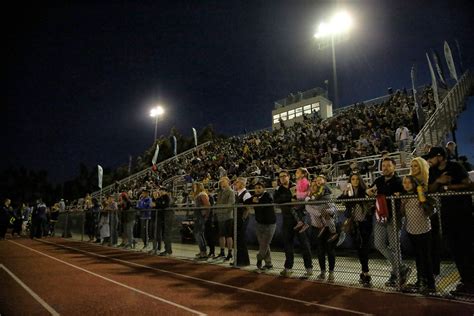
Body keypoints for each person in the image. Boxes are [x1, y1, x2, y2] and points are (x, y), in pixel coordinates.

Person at [426, 146, 474, 295]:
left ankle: (470, 282)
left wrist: (448, 187)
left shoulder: (456, 166)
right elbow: (430, 189)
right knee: (455, 249)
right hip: (447, 215)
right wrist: (439, 180)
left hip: (464, 213)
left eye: (432, 157)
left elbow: (469, 184)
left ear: (440, 157)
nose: (429, 160)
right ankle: (466, 281)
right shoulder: (434, 171)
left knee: (467, 248)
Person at [367, 157, 411, 287]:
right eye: (383, 166)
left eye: (388, 166)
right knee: (379, 243)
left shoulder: (399, 181)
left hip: (394, 217)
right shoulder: (378, 181)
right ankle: (401, 268)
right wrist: (368, 191)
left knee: (394, 245)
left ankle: (396, 273)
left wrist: (399, 196)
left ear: (394, 167)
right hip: (380, 216)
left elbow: (404, 194)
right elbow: (369, 191)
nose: (385, 168)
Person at [400, 175, 435, 293]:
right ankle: (421, 280)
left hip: (424, 229)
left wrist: (423, 201)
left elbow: (430, 211)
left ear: (414, 183)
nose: (406, 185)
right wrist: (403, 204)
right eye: (404, 183)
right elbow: (401, 214)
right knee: (418, 257)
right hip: (411, 230)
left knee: (426, 257)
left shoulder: (421, 193)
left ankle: (431, 283)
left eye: (409, 182)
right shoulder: (404, 196)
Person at [274, 170, 313, 277]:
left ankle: (309, 268)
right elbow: (276, 200)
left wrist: (291, 200)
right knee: (287, 244)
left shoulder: (298, 185)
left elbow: (303, 198)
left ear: (289, 176)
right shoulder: (278, 189)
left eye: (284, 176)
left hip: (299, 219)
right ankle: (288, 268)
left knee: (304, 244)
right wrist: (289, 199)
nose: (282, 178)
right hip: (286, 219)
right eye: (280, 176)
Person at [339, 172, 373, 286]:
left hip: (364, 223)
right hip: (354, 224)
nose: (355, 181)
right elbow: (338, 200)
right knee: (358, 247)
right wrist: (345, 193)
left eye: (357, 179)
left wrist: (353, 197)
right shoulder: (348, 192)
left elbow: (365, 199)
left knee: (364, 247)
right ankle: (364, 272)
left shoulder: (364, 190)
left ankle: (366, 272)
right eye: (353, 179)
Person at [306, 175, 337, 282]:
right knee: (320, 251)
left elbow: (333, 208)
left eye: (316, 186)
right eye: (313, 186)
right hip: (317, 228)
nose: (315, 188)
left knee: (330, 250)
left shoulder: (326, 196)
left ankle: (331, 273)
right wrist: (324, 212)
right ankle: (322, 272)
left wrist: (328, 212)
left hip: (328, 227)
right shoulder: (308, 200)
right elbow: (312, 210)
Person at [245, 180, 276, 270]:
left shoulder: (267, 195)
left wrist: (256, 202)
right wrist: (252, 201)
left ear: (264, 189)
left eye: (259, 188)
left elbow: (267, 202)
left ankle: (259, 258)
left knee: (265, 244)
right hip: (259, 224)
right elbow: (245, 202)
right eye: (256, 188)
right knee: (263, 244)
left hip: (270, 224)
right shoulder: (254, 196)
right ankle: (269, 264)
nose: (257, 190)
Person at [214, 176, 235, 261]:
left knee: (228, 235)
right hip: (220, 217)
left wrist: (221, 211)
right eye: (221, 181)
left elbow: (230, 205)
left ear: (228, 182)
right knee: (221, 235)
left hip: (228, 217)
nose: (221, 183)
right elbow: (218, 204)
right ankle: (222, 251)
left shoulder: (231, 192)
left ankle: (230, 253)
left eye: (223, 181)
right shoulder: (220, 192)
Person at [233, 177, 251, 267]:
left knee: (241, 240)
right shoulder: (237, 193)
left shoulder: (246, 194)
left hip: (242, 220)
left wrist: (243, 219)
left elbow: (248, 208)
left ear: (242, 184)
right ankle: (239, 260)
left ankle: (244, 261)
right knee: (238, 240)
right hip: (238, 219)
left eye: (237, 182)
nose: (235, 184)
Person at [193, 182, 211, 260]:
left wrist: (206, 216)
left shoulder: (202, 194)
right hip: (198, 216)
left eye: (195, 187)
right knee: (199, 234)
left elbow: (207, 205)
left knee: (198, 234)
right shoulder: (199, 195)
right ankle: (202, 251)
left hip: (200, 216)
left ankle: (203, 252)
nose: (193, 188)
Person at [292, 167, 311, 233]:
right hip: (301, 199)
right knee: (301, 212)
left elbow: (303, 190)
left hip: (303, 199)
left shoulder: (304, 181)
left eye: (297, 172)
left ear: (302, 174)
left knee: (294, 209)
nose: (295, 174)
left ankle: (301, 222)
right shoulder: (299, 181)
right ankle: (304, 223)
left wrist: (296, 192)